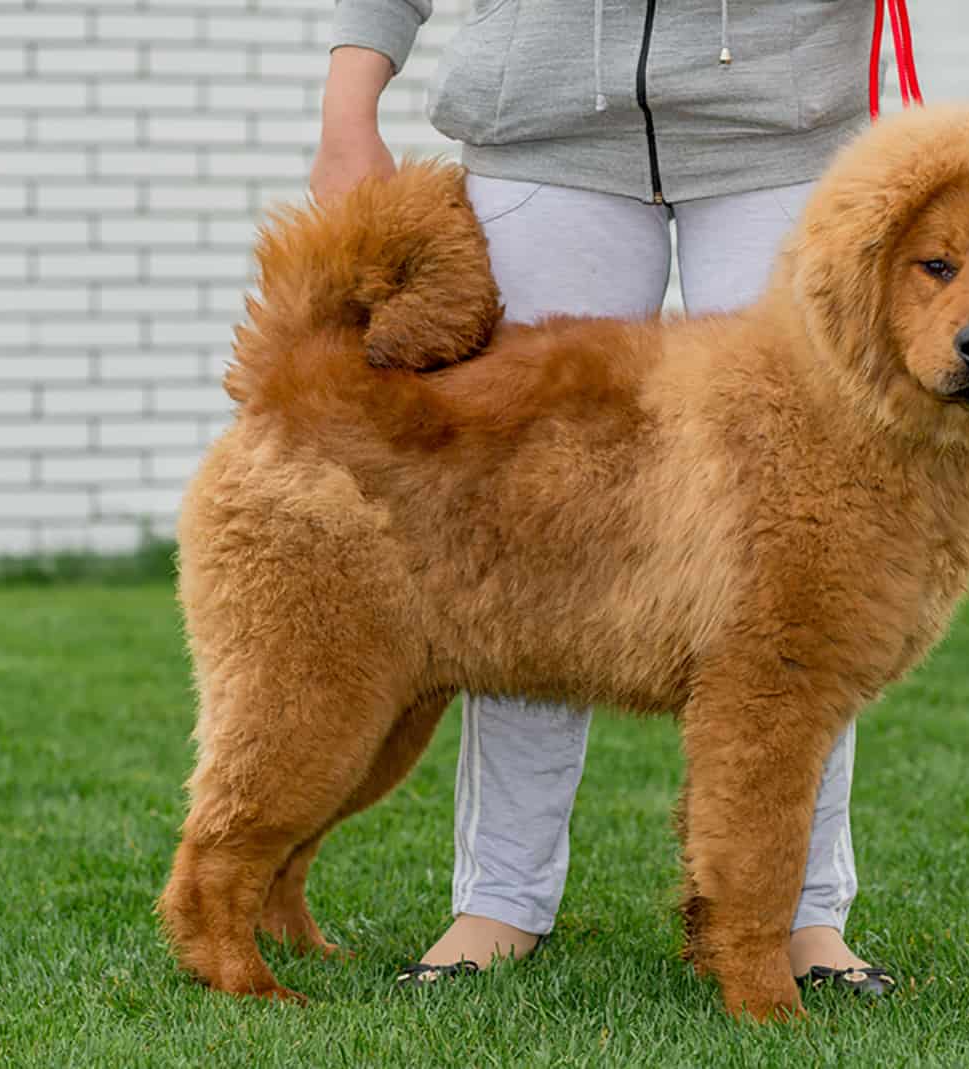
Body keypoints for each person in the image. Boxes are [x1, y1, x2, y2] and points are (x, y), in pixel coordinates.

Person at [313, 0, 895, 997]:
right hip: (542, 138)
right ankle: (500, 896)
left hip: (782, 142)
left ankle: (804, 913)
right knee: (526, 543)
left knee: (800, 567)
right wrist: (347, 112)